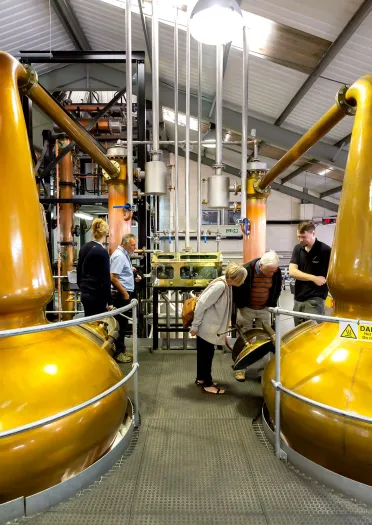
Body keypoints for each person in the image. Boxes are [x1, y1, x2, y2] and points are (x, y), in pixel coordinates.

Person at [190, 263, 247, 395]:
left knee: (204, 353)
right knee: (207, 355)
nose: (243, 282)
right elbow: (201, 304)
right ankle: (208, 384)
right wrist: (195, 325)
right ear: (236, 278)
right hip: (207, 326)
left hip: (208, 326)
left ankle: (201, 379)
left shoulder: (225, 284)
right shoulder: (221, 286)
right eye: (242, 279)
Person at [232, 251, 282, 381]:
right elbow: (236, 289)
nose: (272, 274)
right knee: (244, 338)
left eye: (274, 271)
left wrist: (271, 304)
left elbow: (277, 288)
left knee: (265, 340)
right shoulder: (246, 270)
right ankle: (240, 369)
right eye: (269, 271)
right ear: (261, 266)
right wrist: (240, 305)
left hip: (264, 309)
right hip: (246, 309)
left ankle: (263, 371)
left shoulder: (276, 271)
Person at [289, 221, 331, 326]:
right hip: (298, 297)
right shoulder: (297, 249)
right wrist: (314, 278)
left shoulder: (325, 250)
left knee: (313, 333)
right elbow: (292, 271)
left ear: (313, 234)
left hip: (315, 299)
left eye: (303, 237)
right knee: (297, 332)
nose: (300, 240)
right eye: (298, 237)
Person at [110, 233, 141, 363]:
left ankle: (121, 350)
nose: (135, 247)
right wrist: (125, 294)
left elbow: (121, 275)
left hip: (124, 293)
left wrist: (133, 276)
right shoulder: (119, 256)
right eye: (133, 245)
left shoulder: (124, 255)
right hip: (121, 295)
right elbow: (113, 277)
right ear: (126, 244)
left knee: (123, 325)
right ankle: (118, 353)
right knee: (120, 325)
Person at [77, 218, 113, 316]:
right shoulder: (102, 252)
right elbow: (106, 278)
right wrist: (110, 301)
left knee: (88, 321)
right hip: (97, 295)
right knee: (98, 323)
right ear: (106, 233)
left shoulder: (84, 248)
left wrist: (83, 288)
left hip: (85, 294)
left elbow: (79, 272)